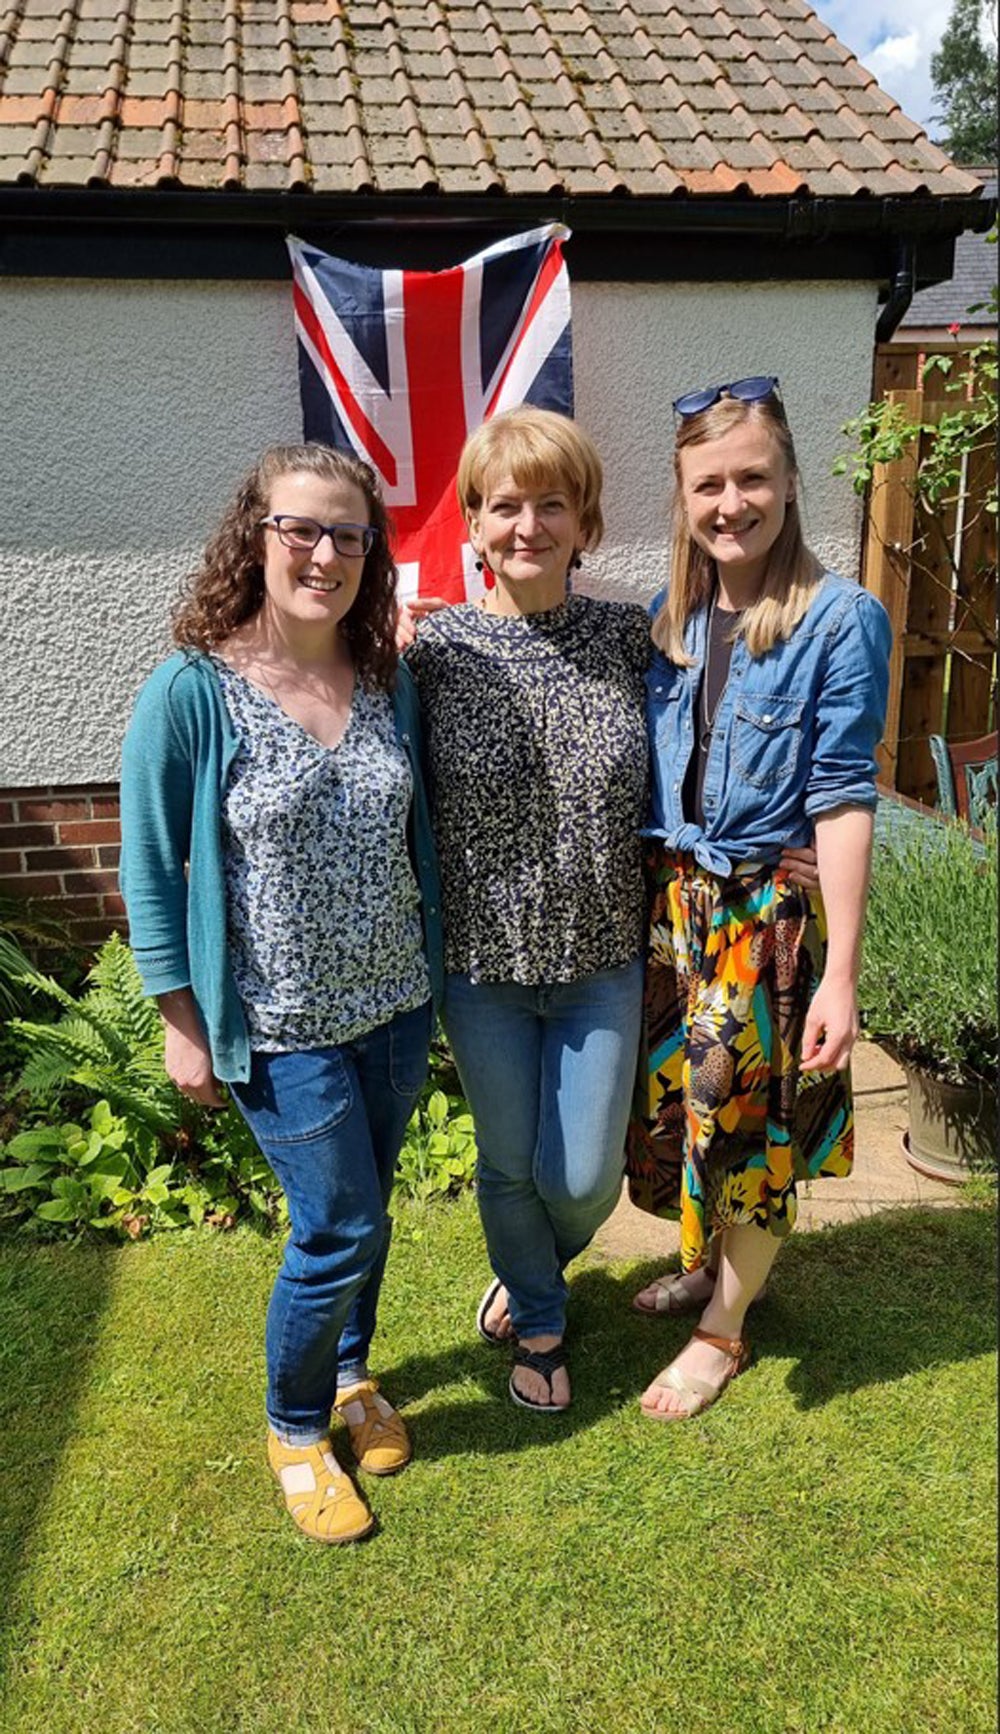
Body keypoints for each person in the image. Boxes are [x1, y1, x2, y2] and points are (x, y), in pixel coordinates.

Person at [119, 443, 443, 1541]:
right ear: (253, 535)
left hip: (396, 1006)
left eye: (348, 535)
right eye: (300, 529)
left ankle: (353, 1376)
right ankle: (296, 1427)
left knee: (366, 1210)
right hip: (282, 1023)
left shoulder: (385, 679)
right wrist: (181, 1022)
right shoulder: (192, 690)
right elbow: (150, 865)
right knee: (338, 1223)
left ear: (370, 553)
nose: (323, 553)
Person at [625, 377, 892, 1421]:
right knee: (688, 1119)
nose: (729, 502)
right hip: (679, 909)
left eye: (751, 479)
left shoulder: (839, 619)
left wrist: (840, 974)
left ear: (787, 486)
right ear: (682, 497)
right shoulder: (675, 620)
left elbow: (841, 798)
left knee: (749, 1131)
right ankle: (707, 1268)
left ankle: (722, 1333)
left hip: (764, 916)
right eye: (708, 484)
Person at [404, 407, 651, 1413]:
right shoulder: (434, 657)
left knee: (585, 1177)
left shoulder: (631, 641)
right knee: (508, 1165)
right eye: (504, 505)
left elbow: (725, 729)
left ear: (584, 522)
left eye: (552, 504)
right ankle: (541, 1327)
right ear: (471, 522)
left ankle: (528, 1271)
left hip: (601, 962)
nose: (527, 526)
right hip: (483, 973)